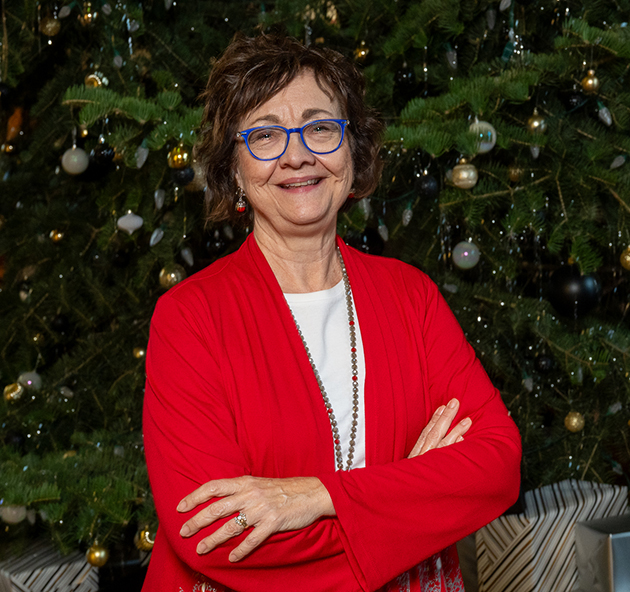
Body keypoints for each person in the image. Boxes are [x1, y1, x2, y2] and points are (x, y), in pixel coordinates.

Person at [142, 33, 521, 592]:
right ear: (234, 169)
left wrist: (316, 496)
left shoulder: (410, 296)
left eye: (320, 127)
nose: (297, 155)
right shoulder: (189, 318)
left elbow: (497, 466)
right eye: (265, 135)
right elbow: (217, 535)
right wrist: (413, 494)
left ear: (352, 149)